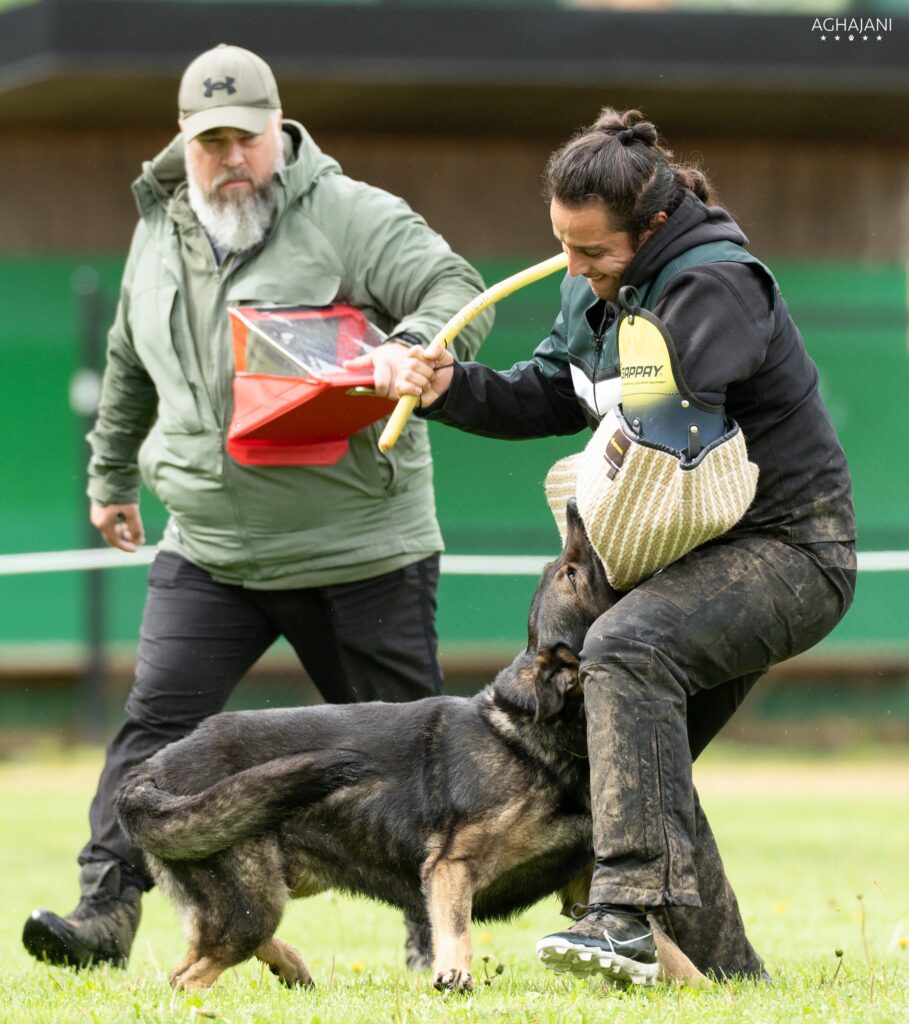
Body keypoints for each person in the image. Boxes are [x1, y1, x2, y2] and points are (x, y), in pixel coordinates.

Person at [22, 44, 492, 971]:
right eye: (209, 142)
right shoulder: (158, 226)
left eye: (246, 137)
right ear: (184, 143)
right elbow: (127, 360)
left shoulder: (356, 216)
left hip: (362, 549)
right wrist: (109, 473)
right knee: (154, 738)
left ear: (281, 130)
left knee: (409, 753)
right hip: (210, 549)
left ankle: (428, 936)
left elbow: (456, 290)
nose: (229, 157)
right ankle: (104, 914)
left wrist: (410, 347)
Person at [394, 107, 856, 984]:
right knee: (639, 754)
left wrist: (584, 560)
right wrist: (449, 387)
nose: (575, 271)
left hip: (792, 550)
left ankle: (621, 912)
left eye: (593, 254)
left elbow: (666, 448)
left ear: (650, 228)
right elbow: (549, 394)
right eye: (563, 249)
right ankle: (728, 980)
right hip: (696, 548)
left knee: (626, 649)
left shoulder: (716, 286)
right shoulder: (601, 283)